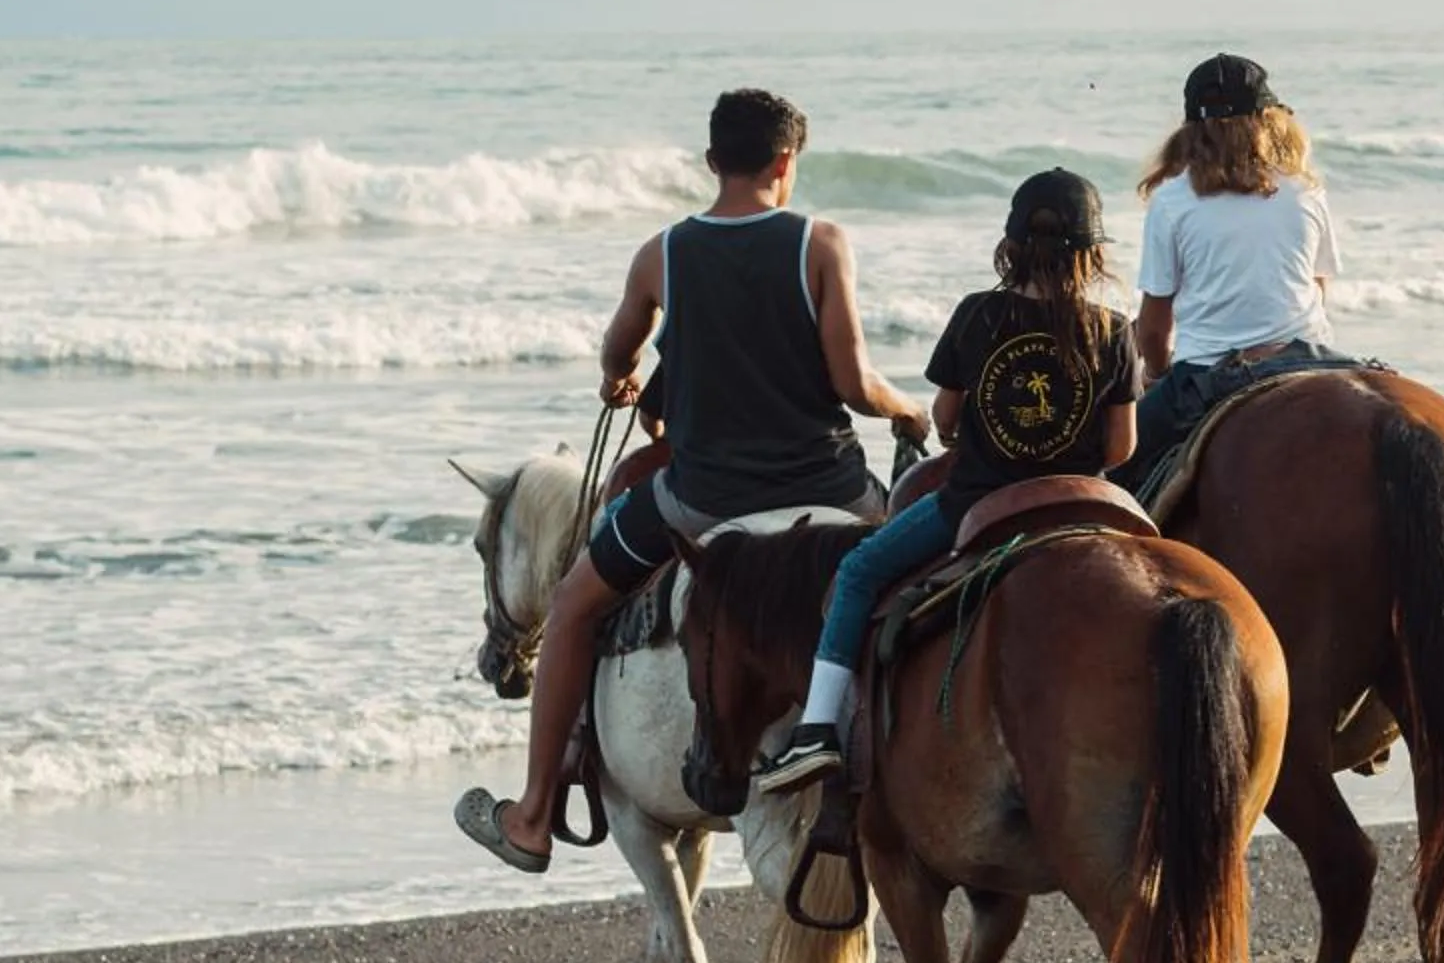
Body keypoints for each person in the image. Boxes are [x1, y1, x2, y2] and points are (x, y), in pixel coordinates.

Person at [456, 88, 929, 870]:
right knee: (922, 586)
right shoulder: (821, 244)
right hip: (831, 487)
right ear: (787, 162)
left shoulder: (662, 253)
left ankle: (535, 816)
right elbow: (853, 384)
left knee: (572, 605)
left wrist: (622, 382)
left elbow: (619, 352)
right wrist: (908, 411)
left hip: (703, 498)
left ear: (712, 163)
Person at [752, 167, 1137, 793]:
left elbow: (948, 420)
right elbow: (1121, 449)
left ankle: (818, 729)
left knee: (858, 573)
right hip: (1080, 511)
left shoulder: (977, 315)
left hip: (978, 506)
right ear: (1093, 253)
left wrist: (981, 436)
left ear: (1010, 246)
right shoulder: (1113, 331)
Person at [1110, 52, 1346, 496]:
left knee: (1112, 469)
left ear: (1190, 129)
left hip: (1207, 373)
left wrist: (1157, 376)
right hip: (1312, 358)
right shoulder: (1305, 191)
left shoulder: (1172, 201)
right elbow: (1317, 291)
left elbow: (1155, 328)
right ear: (1267, 119)